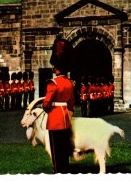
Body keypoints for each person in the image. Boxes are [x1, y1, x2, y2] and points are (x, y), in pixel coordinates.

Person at [42, 38, 75, 174]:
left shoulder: (53, 83)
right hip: (65, 118)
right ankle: (65, 171)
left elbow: (46, 104)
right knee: (64, 148)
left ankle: (58, 172)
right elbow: (71, 103)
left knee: (56, 150)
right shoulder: (69, 83)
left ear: (56, 67)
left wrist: (46, 107)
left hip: (55, 119)